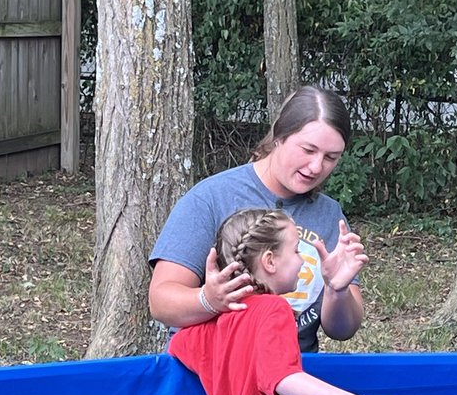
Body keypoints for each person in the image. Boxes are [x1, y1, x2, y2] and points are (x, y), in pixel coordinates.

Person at [149, 85, 367, 353]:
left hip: (291, 369)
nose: (316, 167)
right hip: (212, 366)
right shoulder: (211, 198)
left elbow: (342, 331)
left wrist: (337, 290)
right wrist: (208, 300)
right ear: (279, 136)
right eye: (308, 150)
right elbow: (160, 301)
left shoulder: (329, 214)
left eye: (330, 157)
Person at [168, 208, 400, 395]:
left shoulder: (222, 317)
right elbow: (282, 378)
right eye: (296, 250)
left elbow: (178, 346)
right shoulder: (274, 308)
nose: (302, 260)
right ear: (270, 261)